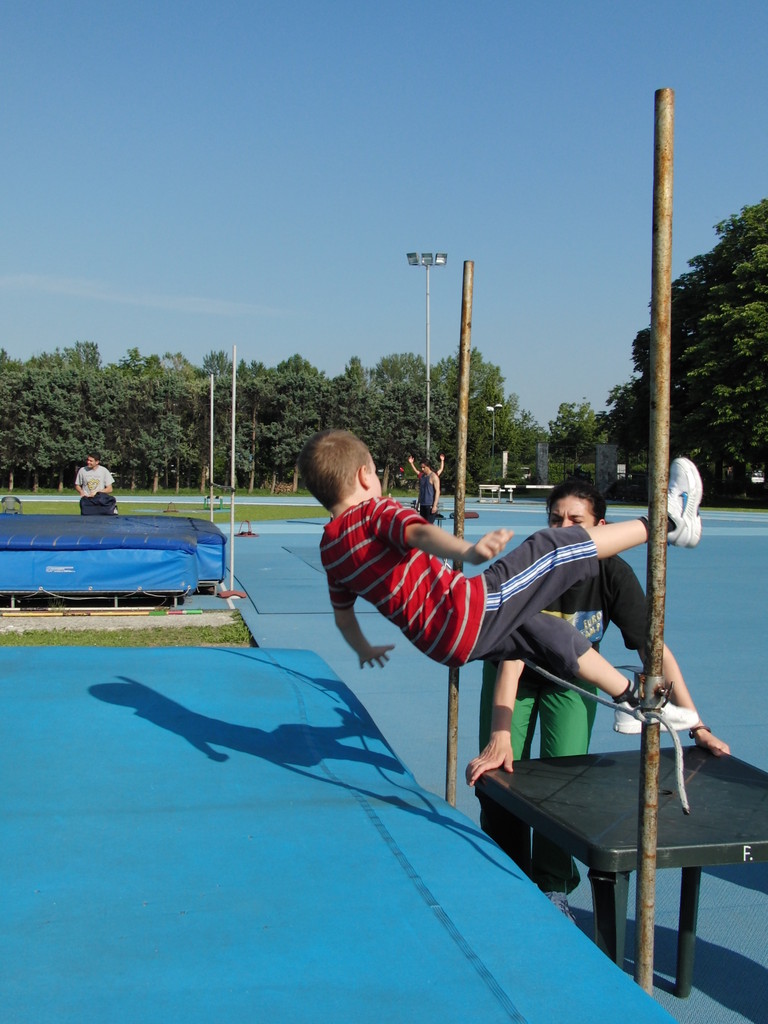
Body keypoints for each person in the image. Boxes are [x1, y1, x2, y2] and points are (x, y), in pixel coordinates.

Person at [296, 430, 703, 780]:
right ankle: (668, 520)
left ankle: (633, 699)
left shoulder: (330, 548)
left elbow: (343, 615)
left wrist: (363, 648)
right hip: (469, 609)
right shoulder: (373, 512)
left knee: (549, 632)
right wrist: (468, 551)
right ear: (364, 475)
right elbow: (418, 533)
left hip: (442, 643)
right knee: (549, 547)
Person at [474, 477, 729, 920]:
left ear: (600, 527)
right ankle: (507, 878)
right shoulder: (539, 565)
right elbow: (515, 655)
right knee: (499, 779)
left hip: (572, 682)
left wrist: (696, 723)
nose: (563, 528)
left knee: (563, 787)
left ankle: (553, 887)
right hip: (513, 673)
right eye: (556, 519)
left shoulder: (611, 573)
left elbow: (654, 648)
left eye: (576, 521)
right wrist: (500, 732)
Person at [407, 453, 444, 523]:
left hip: (430, 504)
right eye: (421, 467)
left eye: (424, 467)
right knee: (422, 525)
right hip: (423, 504)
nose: (422, 469)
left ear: (428, 466)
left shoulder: (434, 476)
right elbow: (421, 492)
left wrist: (435, 505)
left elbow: (437, 491)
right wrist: (417, 504)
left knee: (428, 526)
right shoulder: (422, 477)